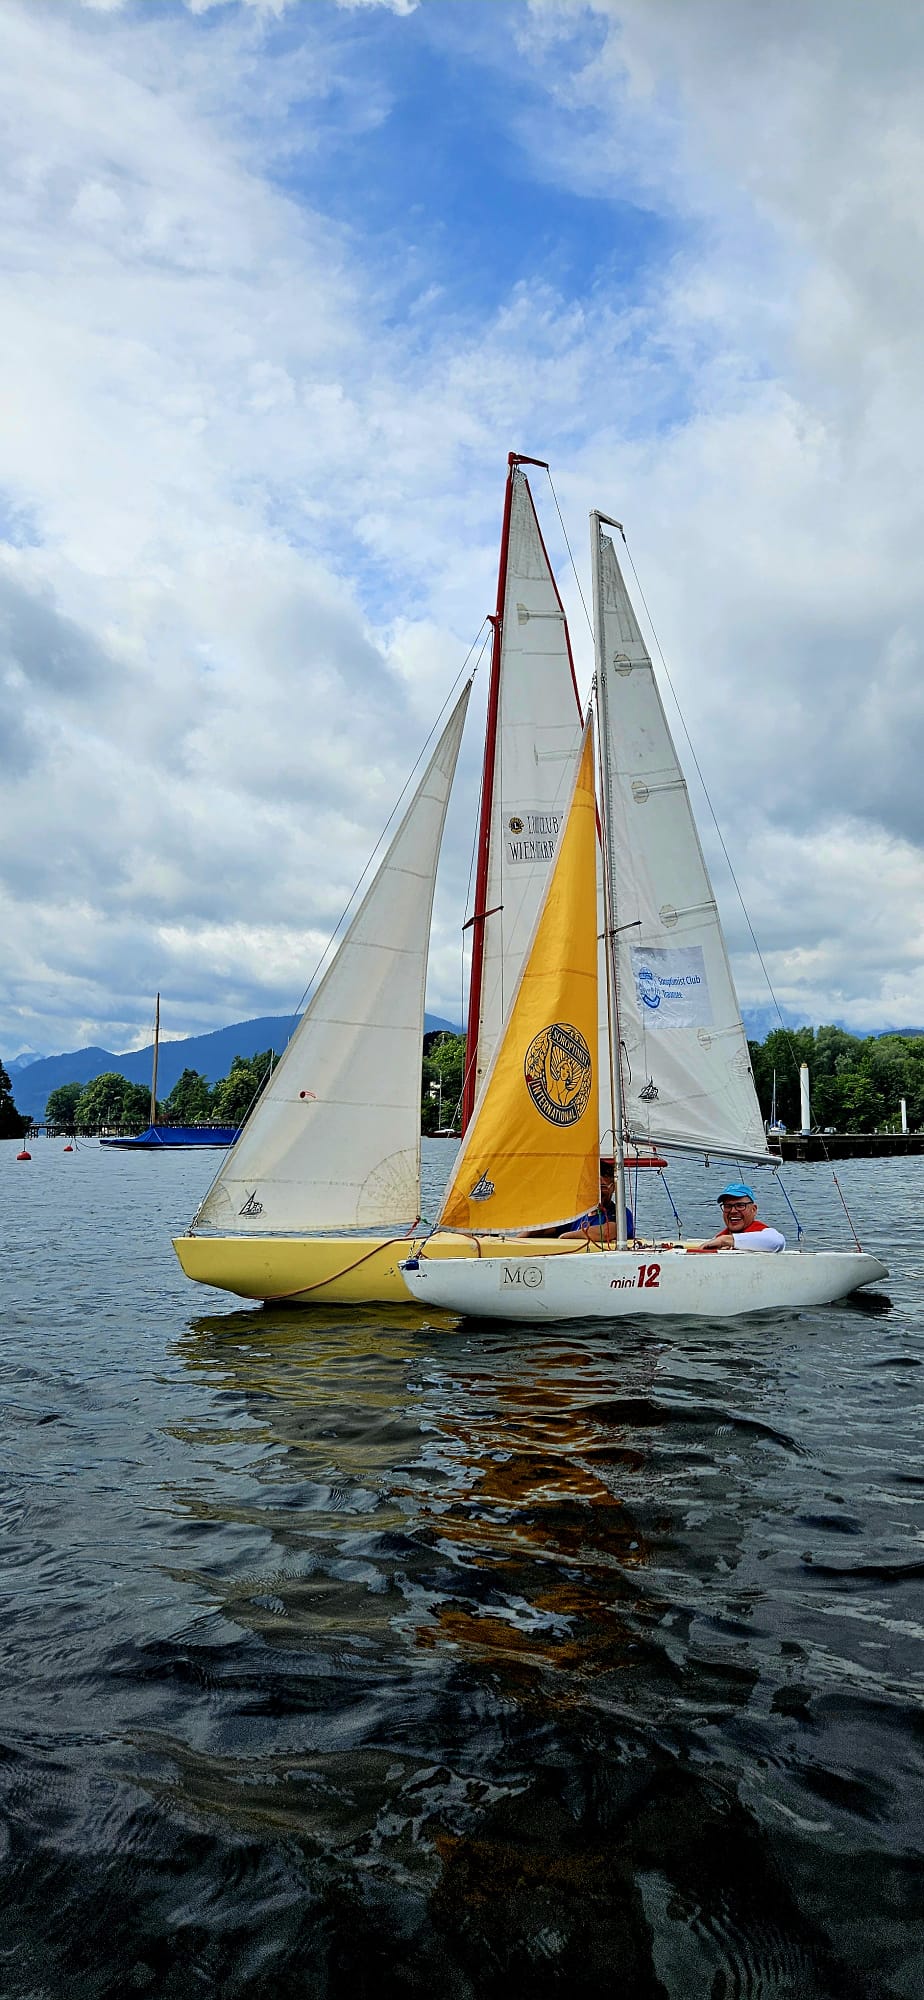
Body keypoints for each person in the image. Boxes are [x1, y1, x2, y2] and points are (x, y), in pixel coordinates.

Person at [520, 1157, 633, 1241]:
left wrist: (567, 1236)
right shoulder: (579, 1214)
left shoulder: (621, 1214)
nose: (597, 1192)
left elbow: (609, 1232)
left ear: (613, 1188)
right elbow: (548, 1229)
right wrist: (523, 1237)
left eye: (602, 1187)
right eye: (592, 1187)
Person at [688, 1181, 785, 1253]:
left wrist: (726, 1241)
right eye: (727, 1206)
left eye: (740, 1205)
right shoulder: (717, 1239)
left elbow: (778, 1242)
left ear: (754, 1209)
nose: (733, 1211)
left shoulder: (764, 1233)